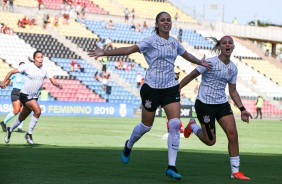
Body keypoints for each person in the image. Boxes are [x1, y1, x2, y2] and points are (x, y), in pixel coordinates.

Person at [88, 11, 211, 180]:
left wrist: (200, 62)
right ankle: (129, 145)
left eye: (168, 20)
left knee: (175, 125)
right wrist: (104, 52)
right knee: (146, 126)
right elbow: (129, 50)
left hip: (170, 88)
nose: (166, 22)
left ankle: (171, 166)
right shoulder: (150, 41)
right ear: (157, 24)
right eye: (163, 20)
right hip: (151, 89)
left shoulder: (175, 42)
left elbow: (186, 54)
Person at [179, 35, 252, 180]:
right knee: (210, 141)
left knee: (233, 134)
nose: (227, 45)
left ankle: (235, 171)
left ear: (233, 47)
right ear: (220, 46)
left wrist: (242, 109)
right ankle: (192, 126)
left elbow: (232, 91)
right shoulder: (209, 63)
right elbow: (191, 76)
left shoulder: (233, 68)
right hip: (204, 104)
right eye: (224, 43)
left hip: (221, 105)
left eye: (230, 43)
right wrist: (175, 90)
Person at [0, 50, 63, 144]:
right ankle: (29, 134)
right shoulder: (27, 66)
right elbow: (11, 72)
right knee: (38, 111)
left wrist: (57, 85)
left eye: (41, 57)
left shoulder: (46, 69)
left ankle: (10, 129)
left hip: (35, 96)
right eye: (38, 57)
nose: (40, 59)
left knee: (22, 117)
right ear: (34, 59)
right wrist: (4, 82)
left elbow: (53, 81)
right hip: (24, 94)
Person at [0, 62, 26, 133]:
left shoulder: (27, 75)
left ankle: (20, 128)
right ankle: (4, 122)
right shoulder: (15, 73)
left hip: (24, 93)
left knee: (23, 112)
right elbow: (8, 80)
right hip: (16, 92)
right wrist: (5, 84)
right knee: (16, 111)